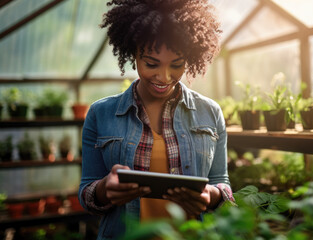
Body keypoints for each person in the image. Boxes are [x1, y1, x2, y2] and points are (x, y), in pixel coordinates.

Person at [78, 0, 234, 239]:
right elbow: (86, 193)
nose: (164, 76)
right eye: (151, 63)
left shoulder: (210, 113)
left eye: (177, 64)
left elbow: (222, 184)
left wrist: (210, 196)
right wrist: (104, 190)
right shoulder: (101, 114)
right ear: (133, 53)